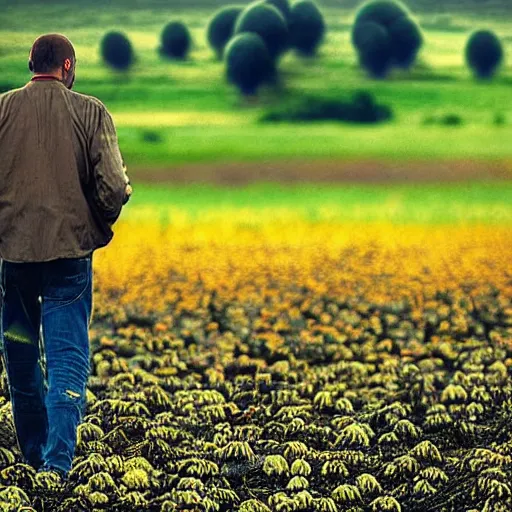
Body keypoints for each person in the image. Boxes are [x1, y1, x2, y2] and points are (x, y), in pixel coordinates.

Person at [0, 33, 132, 483]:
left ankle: (33, 453)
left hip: (15, 258)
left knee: (20, 354)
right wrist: (97, 216)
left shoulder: (1, 110)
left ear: (31, 63)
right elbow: (113, 188)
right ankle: (56, 465)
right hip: (69, 259)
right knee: (66, 357)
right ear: (68, 66)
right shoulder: (91, 111)